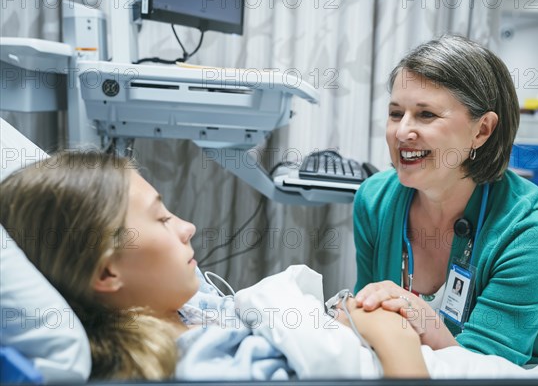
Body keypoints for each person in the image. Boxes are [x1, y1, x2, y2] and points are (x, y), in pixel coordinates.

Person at [0, 150, 427, 380]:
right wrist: (396, 339)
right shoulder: (194, 363)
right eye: (161, 218)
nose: (187, 227)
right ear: (107, 272)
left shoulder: (193, 309)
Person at [352, 34, 538, 365]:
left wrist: (418, 317)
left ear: (482, 130)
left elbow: (488, 365)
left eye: (426, 115)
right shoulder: (375, 199)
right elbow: (368, 323)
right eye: (396, 113)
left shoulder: (533, 229)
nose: (401, 131)